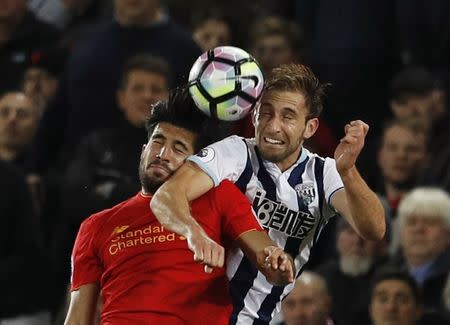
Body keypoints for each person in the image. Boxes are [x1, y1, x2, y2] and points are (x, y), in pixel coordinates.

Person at [151, 63, 386, 324]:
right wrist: (194, 234)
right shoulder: (234, 153)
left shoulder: (325, 173)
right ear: (253, 117)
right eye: (266, 113)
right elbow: (167, 196)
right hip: (197, 314)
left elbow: (374, 230)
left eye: (287, 116)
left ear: (309, 127)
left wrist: (349, 171)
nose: (273, 126)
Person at [64, 88, 295, 325]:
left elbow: (263, 250)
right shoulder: (96, 225)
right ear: (143, 151)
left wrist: (276, 263)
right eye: (158, 142)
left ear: (196, 163)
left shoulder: (219, 196)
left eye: (179, 148)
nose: (163, 154)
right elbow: (77, 319)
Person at [316, 217, 389, 324]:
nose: (357, 241)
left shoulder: (392, 280)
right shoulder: (320, 279)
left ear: (384, 242)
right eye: (350, 232)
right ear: (337, 239)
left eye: (366, 233)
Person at [389, 187, 450, 314]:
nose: (418, 230)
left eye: (430, 222)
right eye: (411, 222)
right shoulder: (385, 272)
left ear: (448, 234)